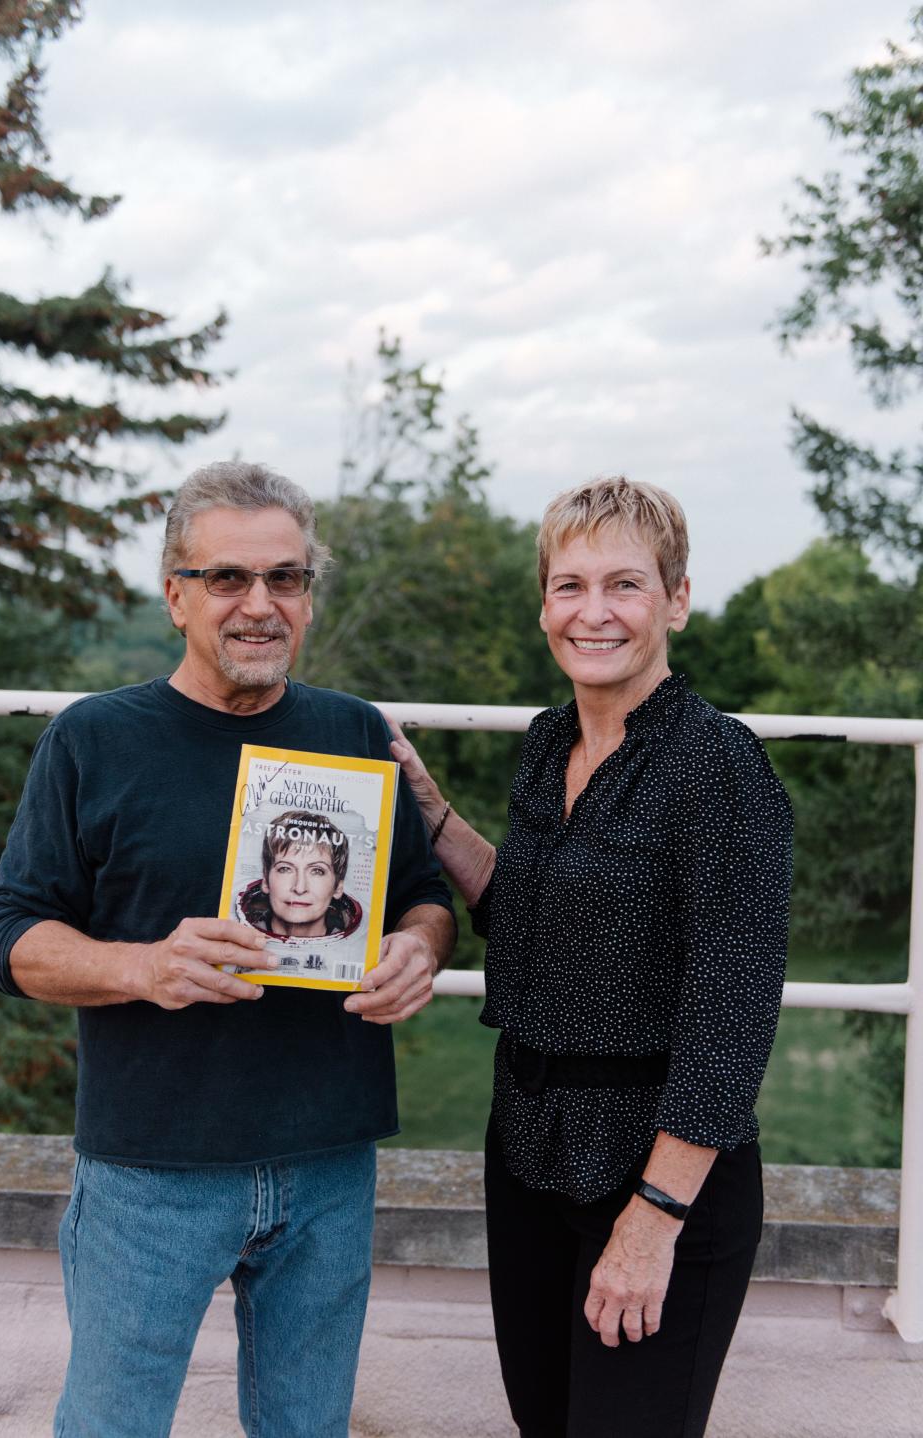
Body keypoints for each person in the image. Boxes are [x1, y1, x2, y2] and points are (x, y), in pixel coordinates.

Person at [0, 460, 456, 1438]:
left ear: (310, 598)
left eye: (286, 578)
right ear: (174, 596)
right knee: (110, 1426)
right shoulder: (92, 740)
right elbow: (10, 935)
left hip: (328, 1159)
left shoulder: (356, 733)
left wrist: (419, 947)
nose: (259, 604)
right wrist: (140, 966)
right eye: (228, 578)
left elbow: (421, 895)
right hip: (151, 1168)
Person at [385, 476, 793, 1438]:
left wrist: (653, 1221)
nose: (594, 612)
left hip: (653, 1171)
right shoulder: (547, 742)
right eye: (569, 586)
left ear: (677, 601)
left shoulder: (717, 765)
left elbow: (732, 1021)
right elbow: (524, 915)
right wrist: (429, 809)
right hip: (527, 1154)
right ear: (543, 606)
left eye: (626, 584)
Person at [238, 809, 362, 940]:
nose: (299, 888)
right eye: (285, 869)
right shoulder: (238, 930)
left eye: (317, 871)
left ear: (338, 888)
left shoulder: (358, 945)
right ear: (265, 880)